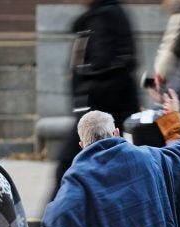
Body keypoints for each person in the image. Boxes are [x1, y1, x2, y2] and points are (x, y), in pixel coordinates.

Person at [42, 89, 180, 227]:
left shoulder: (77, 176)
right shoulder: (148, 157)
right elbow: (179, 153)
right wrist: (173, 116)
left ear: (81, 145)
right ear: (116, 132)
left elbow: (57, 218)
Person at [50, 0, 140, 200]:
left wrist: (84, 99)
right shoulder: (102, 14)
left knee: (67, 166)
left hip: (97, 114)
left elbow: (103, 67)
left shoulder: (104, 17)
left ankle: (50, 222)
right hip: (103, 111)